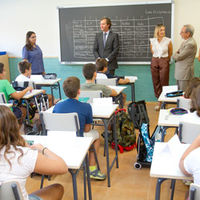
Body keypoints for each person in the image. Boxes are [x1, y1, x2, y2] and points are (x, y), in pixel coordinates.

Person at [0, 105, 68, 200]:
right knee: (57, 188)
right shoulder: (22, 155)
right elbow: (63, 167)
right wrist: (43, 149)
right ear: (14, 126)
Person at [53, 77, 106, 180]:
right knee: (96, 136)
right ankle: (92, 169)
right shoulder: (86, 107)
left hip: (60, 140)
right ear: (79, 91)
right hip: (77, 139)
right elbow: (86, 129)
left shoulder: (57, 106)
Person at [150, 24, 173, 110]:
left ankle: (165, 102)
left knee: (164, 82)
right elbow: (153, 52)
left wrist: (165, 60)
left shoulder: (168, 41)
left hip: (164, 61)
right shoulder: (152, 41)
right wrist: (156, 60)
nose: (163, 32)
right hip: (155, 61)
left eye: (164, 30)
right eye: (161, 30)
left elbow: (170, 52)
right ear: (157, 31)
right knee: (156, 82)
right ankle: (159, 101)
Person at [173, 24, 197, 91]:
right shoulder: (186, 42)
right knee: (179, 93)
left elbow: (179, 56)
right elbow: (179, 54)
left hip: (185, 73)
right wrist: (177, 53)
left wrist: (174, 54)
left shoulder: (190, 44)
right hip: (181, 73)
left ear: (188, 33)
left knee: (184, 94)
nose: (180, 33)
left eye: (182, 32)